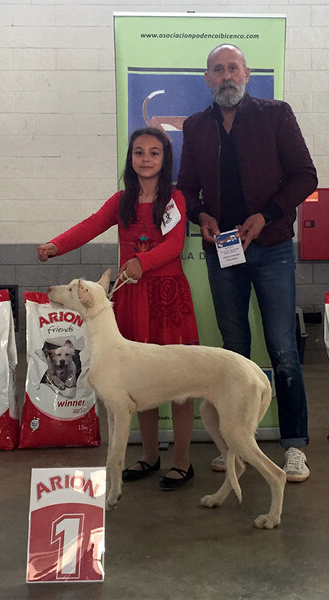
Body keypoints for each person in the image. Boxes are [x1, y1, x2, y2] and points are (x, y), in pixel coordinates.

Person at [177, 44, 318, 482]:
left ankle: (294, 446)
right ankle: (239, 446)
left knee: (283, 349)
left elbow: (306, 176)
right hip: (222, 251)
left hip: (272, 247)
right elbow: (186, 188)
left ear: (247, 73)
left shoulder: (276, 115)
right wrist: (201, 215)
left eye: (232, 68)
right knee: (233, 352)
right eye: (218, 70)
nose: (226, 76)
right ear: (207, 79)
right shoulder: (195, 126)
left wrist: (267, 215)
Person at [37, 127, 200, 490]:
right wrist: (56, 245)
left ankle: (183, 461)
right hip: (132, 298)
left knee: (182, 379)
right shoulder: (121, 201)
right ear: (130, 158)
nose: (146, 159)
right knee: (138, 379)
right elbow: (90, 225)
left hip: (168, 297)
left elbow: (175, 244)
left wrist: (143, 261)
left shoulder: (174, 199)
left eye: (154, 153)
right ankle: (150, 456)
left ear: (165, 160)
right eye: (139, 152)